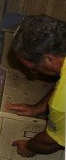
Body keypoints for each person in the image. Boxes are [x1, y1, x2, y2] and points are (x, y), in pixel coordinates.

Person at [5, 15, 65, 157]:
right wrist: (37, 108)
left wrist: (28, 146)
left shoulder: (62, 101)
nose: (34, 73)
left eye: (34, 68)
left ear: (49, 58)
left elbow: (50, 142)